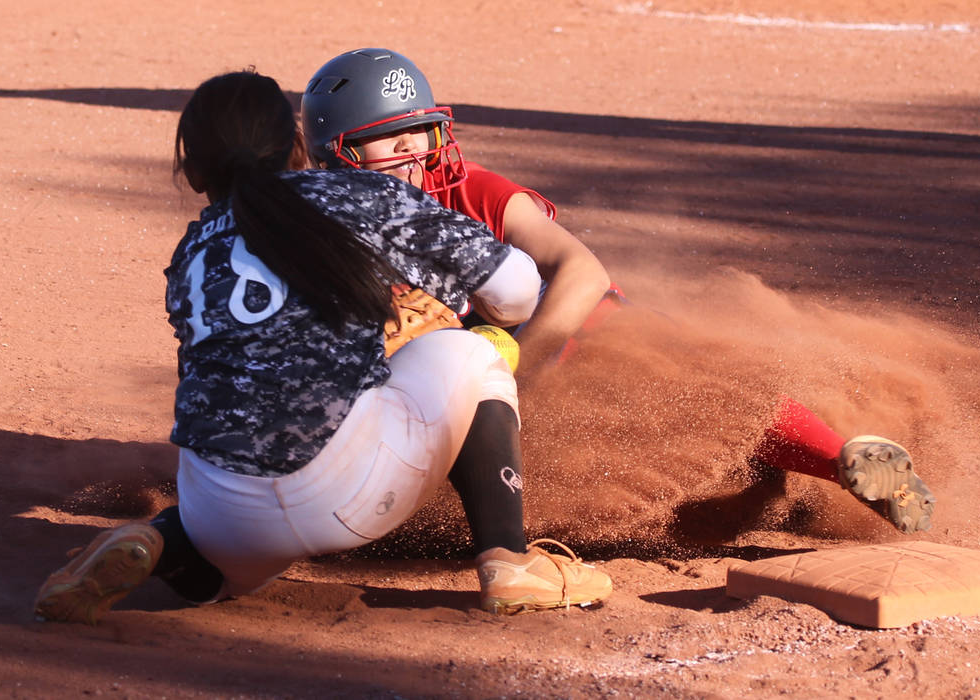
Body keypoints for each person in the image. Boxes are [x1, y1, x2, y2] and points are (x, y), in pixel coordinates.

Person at [33, 70, 612, 625]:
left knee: (226, 577)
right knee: (469, 353)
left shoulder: (190, 251)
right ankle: (510, 562)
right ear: (297, 147)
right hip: (347, 497)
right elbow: (517, 294)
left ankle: (157, 539)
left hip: (217, 515)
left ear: (191, 170)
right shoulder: (362, 195)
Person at [298, 48, 936, 535]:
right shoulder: (316, 228)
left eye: (420, 128)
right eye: (386, 135)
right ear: (336, 155)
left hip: (563, 336)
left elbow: (582, 272)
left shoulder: (473, 191)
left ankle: (842, 462)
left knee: (704, 385)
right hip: (460, 383)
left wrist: (526, 357)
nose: (411, 147)